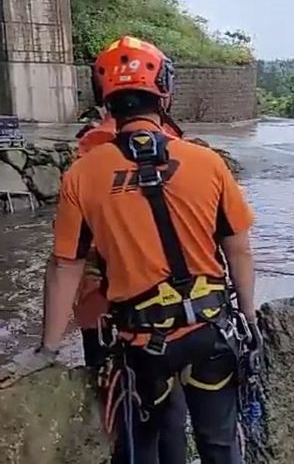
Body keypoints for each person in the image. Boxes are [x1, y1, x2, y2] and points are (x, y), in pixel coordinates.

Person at [1, 36, 258, 463]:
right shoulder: (206, 163)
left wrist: (47, 350)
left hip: (144, 345)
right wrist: (247, 315)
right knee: (219, 445)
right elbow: (240, 251)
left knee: (151, 445)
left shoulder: (82, 175)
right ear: (165, 92)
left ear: (103, 97)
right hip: (212, 333)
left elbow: (66, 266)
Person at [72, 104, 189, 463]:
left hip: (103, 306)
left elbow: (71, 250)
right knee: (168, 409)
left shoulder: (89, 155)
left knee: (123, 407)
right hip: (165, 305)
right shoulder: (173, 146)